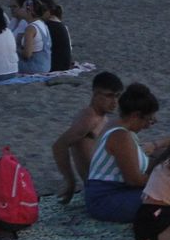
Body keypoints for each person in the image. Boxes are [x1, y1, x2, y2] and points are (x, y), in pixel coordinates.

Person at [84, 83, 162, 222]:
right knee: (165, 198)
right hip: (105, 199)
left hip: (118, 192)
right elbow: (134, 180)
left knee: (168, 191)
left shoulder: (123, 130)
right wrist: (163, 180)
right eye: (148, 119)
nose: (148, 125)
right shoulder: (120, 136)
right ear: (136, 115)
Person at [53, 72, 124, 202]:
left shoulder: (102, 117)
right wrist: (70, 182)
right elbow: (59, 145)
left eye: (117, 96)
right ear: (96, 94)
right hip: (99, 187)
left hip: (106, 180)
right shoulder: (89, 119)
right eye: (109, 96)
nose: (115, 102)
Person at [11, 0, 52, 74]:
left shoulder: (30, 29)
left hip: (34, 67)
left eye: (22, 8)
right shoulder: (42, 24)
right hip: (45, 66)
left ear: (30, 11)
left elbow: (27, 55)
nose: (20, 10)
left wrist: (15, 49)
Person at [36, 0, 73, 71]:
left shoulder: (49, 26)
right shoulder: (58, 23)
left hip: (56, 66)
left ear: (47, 11)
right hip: (63, 65)